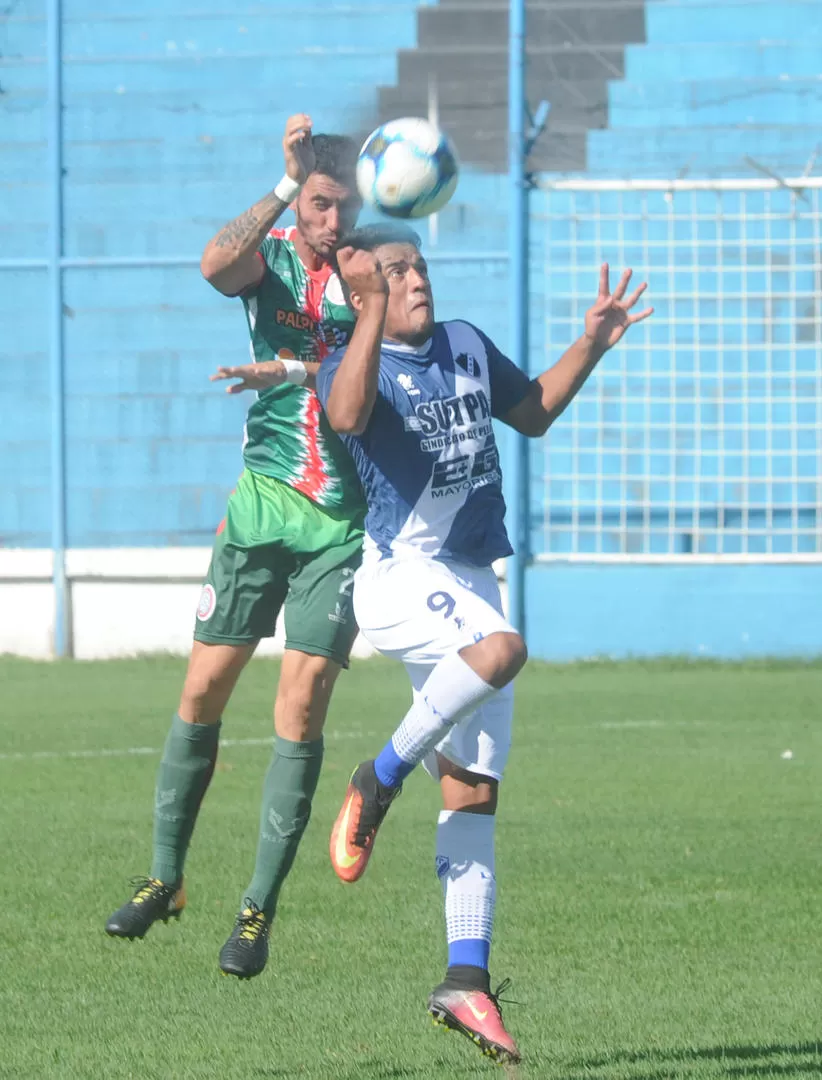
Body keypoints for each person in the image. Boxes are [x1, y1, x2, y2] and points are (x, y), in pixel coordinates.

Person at [316, 223, 653, 1063]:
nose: (415, 280)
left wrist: (592, 342)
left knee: (472, 793)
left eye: (418, 265)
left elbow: (532, 411)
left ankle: (464, 981)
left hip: (469, 578)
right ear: (362, 296)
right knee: (503, 649)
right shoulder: (352, 364)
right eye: (393, 273)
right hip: (400, 575)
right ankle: (378, 775)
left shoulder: (463, 342)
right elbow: (348, 414)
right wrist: (366, 312)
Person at [105, 115, 366, 981]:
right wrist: (285, 184)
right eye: (321, 206)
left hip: (339, 520)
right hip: (259, 508)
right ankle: (165, 878)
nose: (333, 221)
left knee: (299, 706)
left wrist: (300, 365)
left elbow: (390, 365)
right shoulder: (277, 260)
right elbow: (217, 263)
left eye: (343, 206)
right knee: (204, 687)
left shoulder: (375, 274)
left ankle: (256, 909)